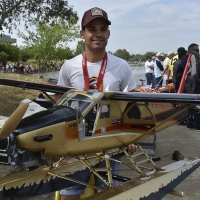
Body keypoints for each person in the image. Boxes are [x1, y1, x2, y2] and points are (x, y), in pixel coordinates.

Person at [56, 7, 137, 200]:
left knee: (107, 194)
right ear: (82, 34)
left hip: (109, 143)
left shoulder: (122, 65)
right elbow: (58, 104)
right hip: (75, 144)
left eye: (102, 29)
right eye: (92, 29)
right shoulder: (69, 66)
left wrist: (132, 137)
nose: (97, 34)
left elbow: (134, 105)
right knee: (70, 195)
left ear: (108, 33)